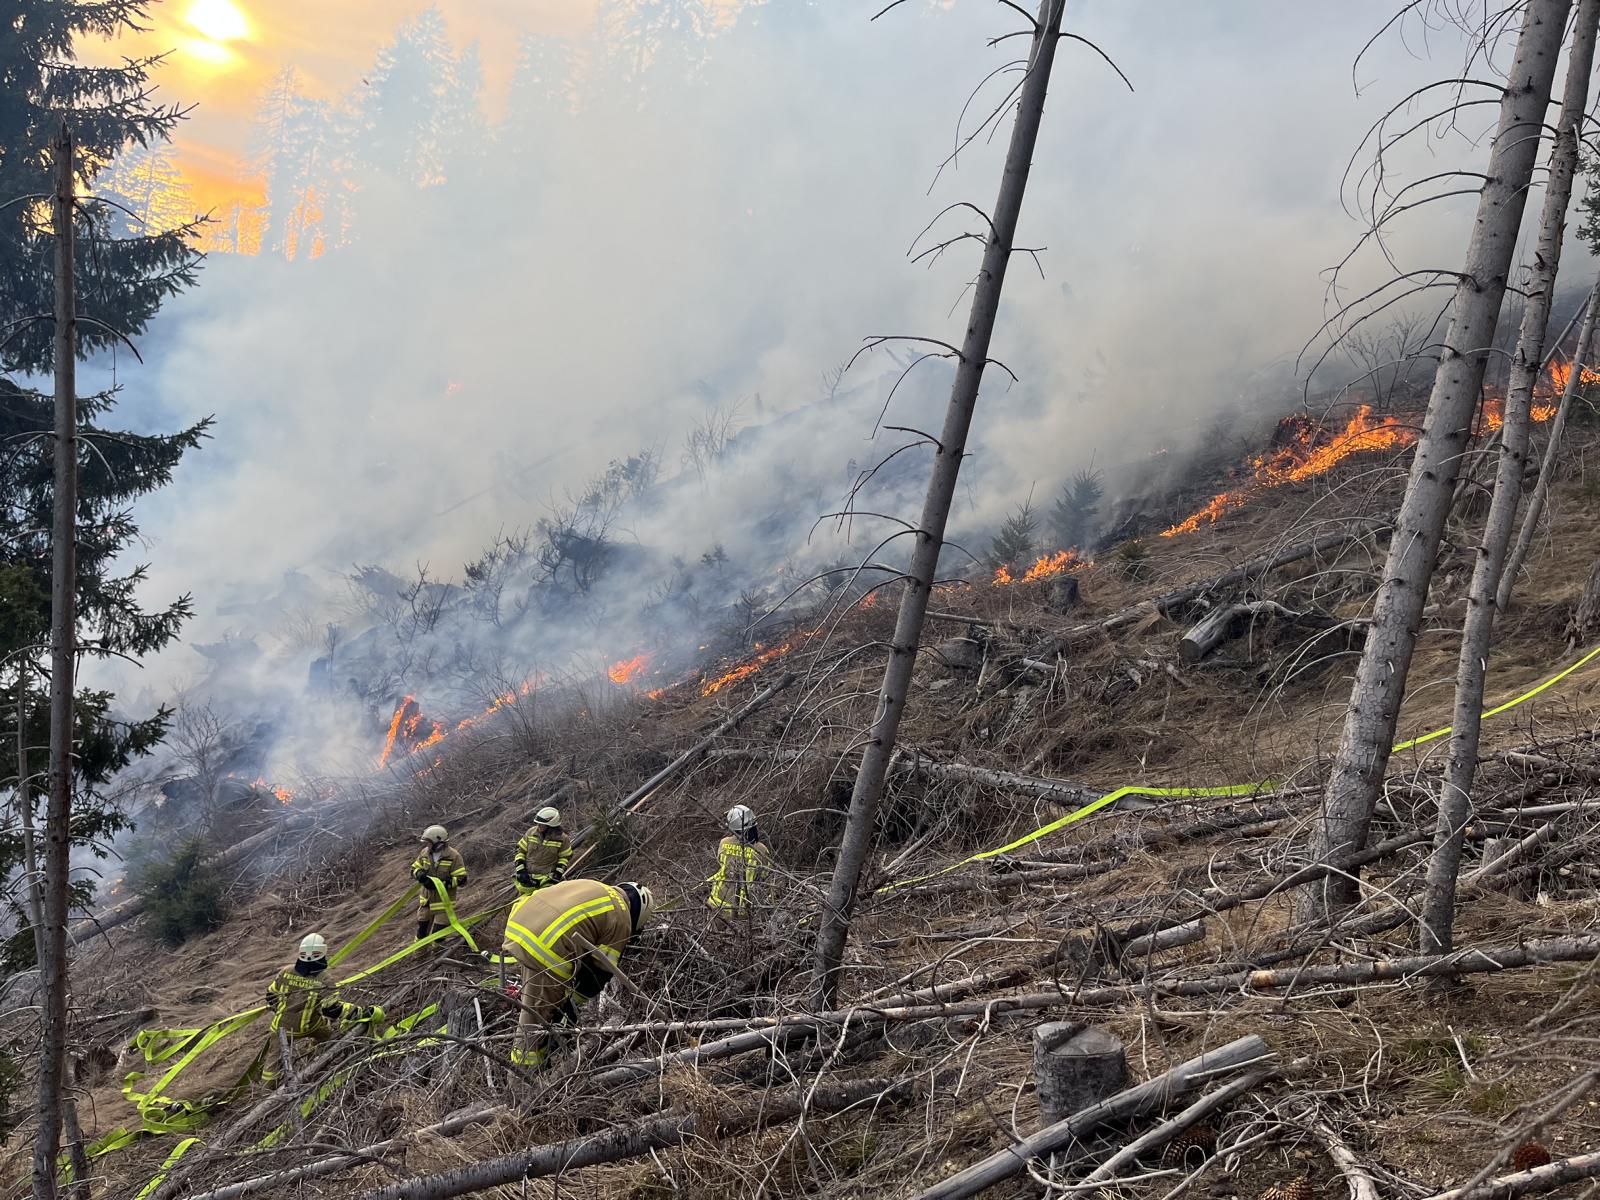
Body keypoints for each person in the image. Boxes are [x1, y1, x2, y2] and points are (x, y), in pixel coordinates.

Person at [500, 878, 654, 1068]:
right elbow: (599, 972)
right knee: (538, 1017)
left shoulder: (599, 888)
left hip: (521, 927)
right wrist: (571, 1006)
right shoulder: (622, 919)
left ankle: (537, 1058)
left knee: (534, 1002)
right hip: (546, 948)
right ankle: (524, 1073)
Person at [266, 933, 381, 1043]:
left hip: (280, 1028)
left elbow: (271, 996)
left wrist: (285, 1012)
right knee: (331, 1041)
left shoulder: (286, 971)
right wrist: (363, 1012)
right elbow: (332, 1010)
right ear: (323, 952)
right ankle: (319, 1055)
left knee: (274, 1062)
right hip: (310, 1027)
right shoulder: (324, 978)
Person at [708, 804, 772, 917]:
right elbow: (765, 877)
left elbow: (721, 863)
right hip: (744, 909)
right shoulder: (762, 850)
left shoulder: (724, 843)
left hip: (716, 903)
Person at [411, 824, 468, 940]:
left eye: (428, 842)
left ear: (438, 843)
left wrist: (443, 883)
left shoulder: (454, 856)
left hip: (444, 905)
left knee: (438, 938)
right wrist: (419, 874)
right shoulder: (424, 853)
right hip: (426, 903)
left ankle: (437, 956)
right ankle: (421, 956)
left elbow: (462, 879)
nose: (426, 845)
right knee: (421, 935)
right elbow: (414, 868)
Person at [514, 806, 573, 895]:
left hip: (547, 881)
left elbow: (564, 858)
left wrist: (557, 874)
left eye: (541, 824)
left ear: (551, 825)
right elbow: (520, 851)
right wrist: (521, 871)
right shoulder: (531, 833)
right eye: (538, 823)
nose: (538, 826)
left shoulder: (562, 839)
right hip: (527, 879)